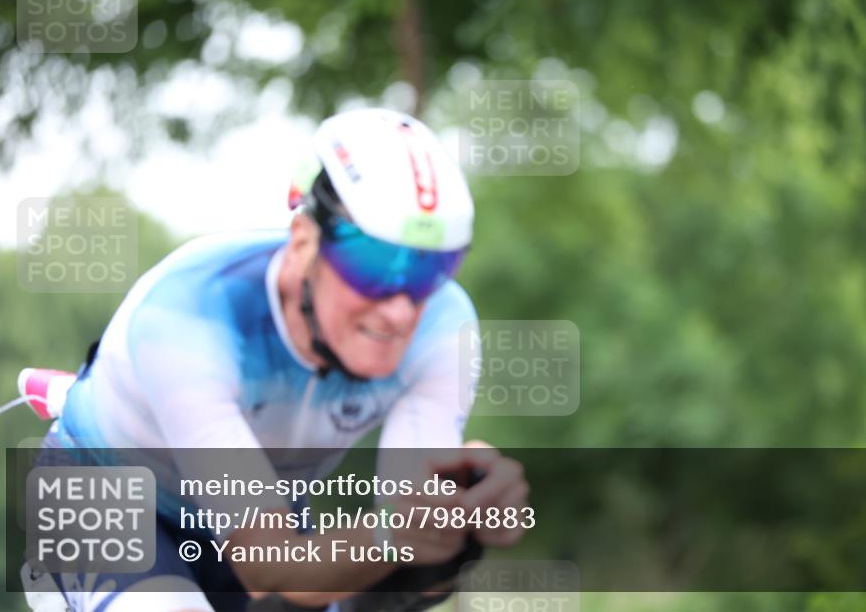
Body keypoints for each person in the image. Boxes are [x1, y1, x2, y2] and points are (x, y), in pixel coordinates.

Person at [29, 108, 529, 612]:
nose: (401, 308)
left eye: (431, 269)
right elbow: (270, 568)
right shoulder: (190, 317)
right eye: (374, 265)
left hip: (253, 513)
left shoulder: (442, 323)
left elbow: (409, 527)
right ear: (303, 243)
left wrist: (464, 508)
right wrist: (392, 535)